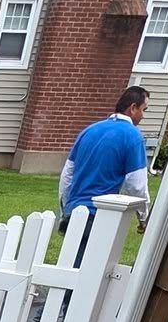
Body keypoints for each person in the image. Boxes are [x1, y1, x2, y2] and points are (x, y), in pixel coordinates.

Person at [59, 86, 152, 235]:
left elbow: (67, 176)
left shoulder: (89, 131)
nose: (143, 116)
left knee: (72, 257)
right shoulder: (133, 136)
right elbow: (137, 185)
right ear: (133, 108)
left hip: (74, 213)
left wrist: (65, 209)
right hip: (101, 215)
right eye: (144, 110)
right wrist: (143, 216)